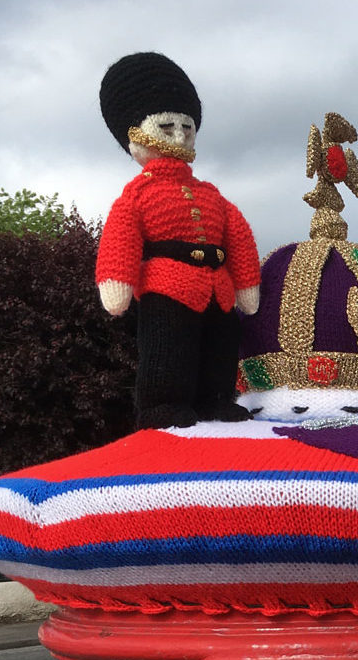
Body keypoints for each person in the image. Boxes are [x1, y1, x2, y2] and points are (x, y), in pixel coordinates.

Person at [96, 52, 261, 430]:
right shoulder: (137, 195)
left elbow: (237, 235)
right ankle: (162, 405)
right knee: (167, 349)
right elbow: (121, 236)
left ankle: (216, 399)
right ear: (135, 133)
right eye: (167, 126)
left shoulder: (211, 194)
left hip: (218, 287)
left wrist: (247, 284)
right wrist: (116, 282)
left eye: (187, 127)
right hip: (167, 288)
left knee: (220, 348)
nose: (180, 135)